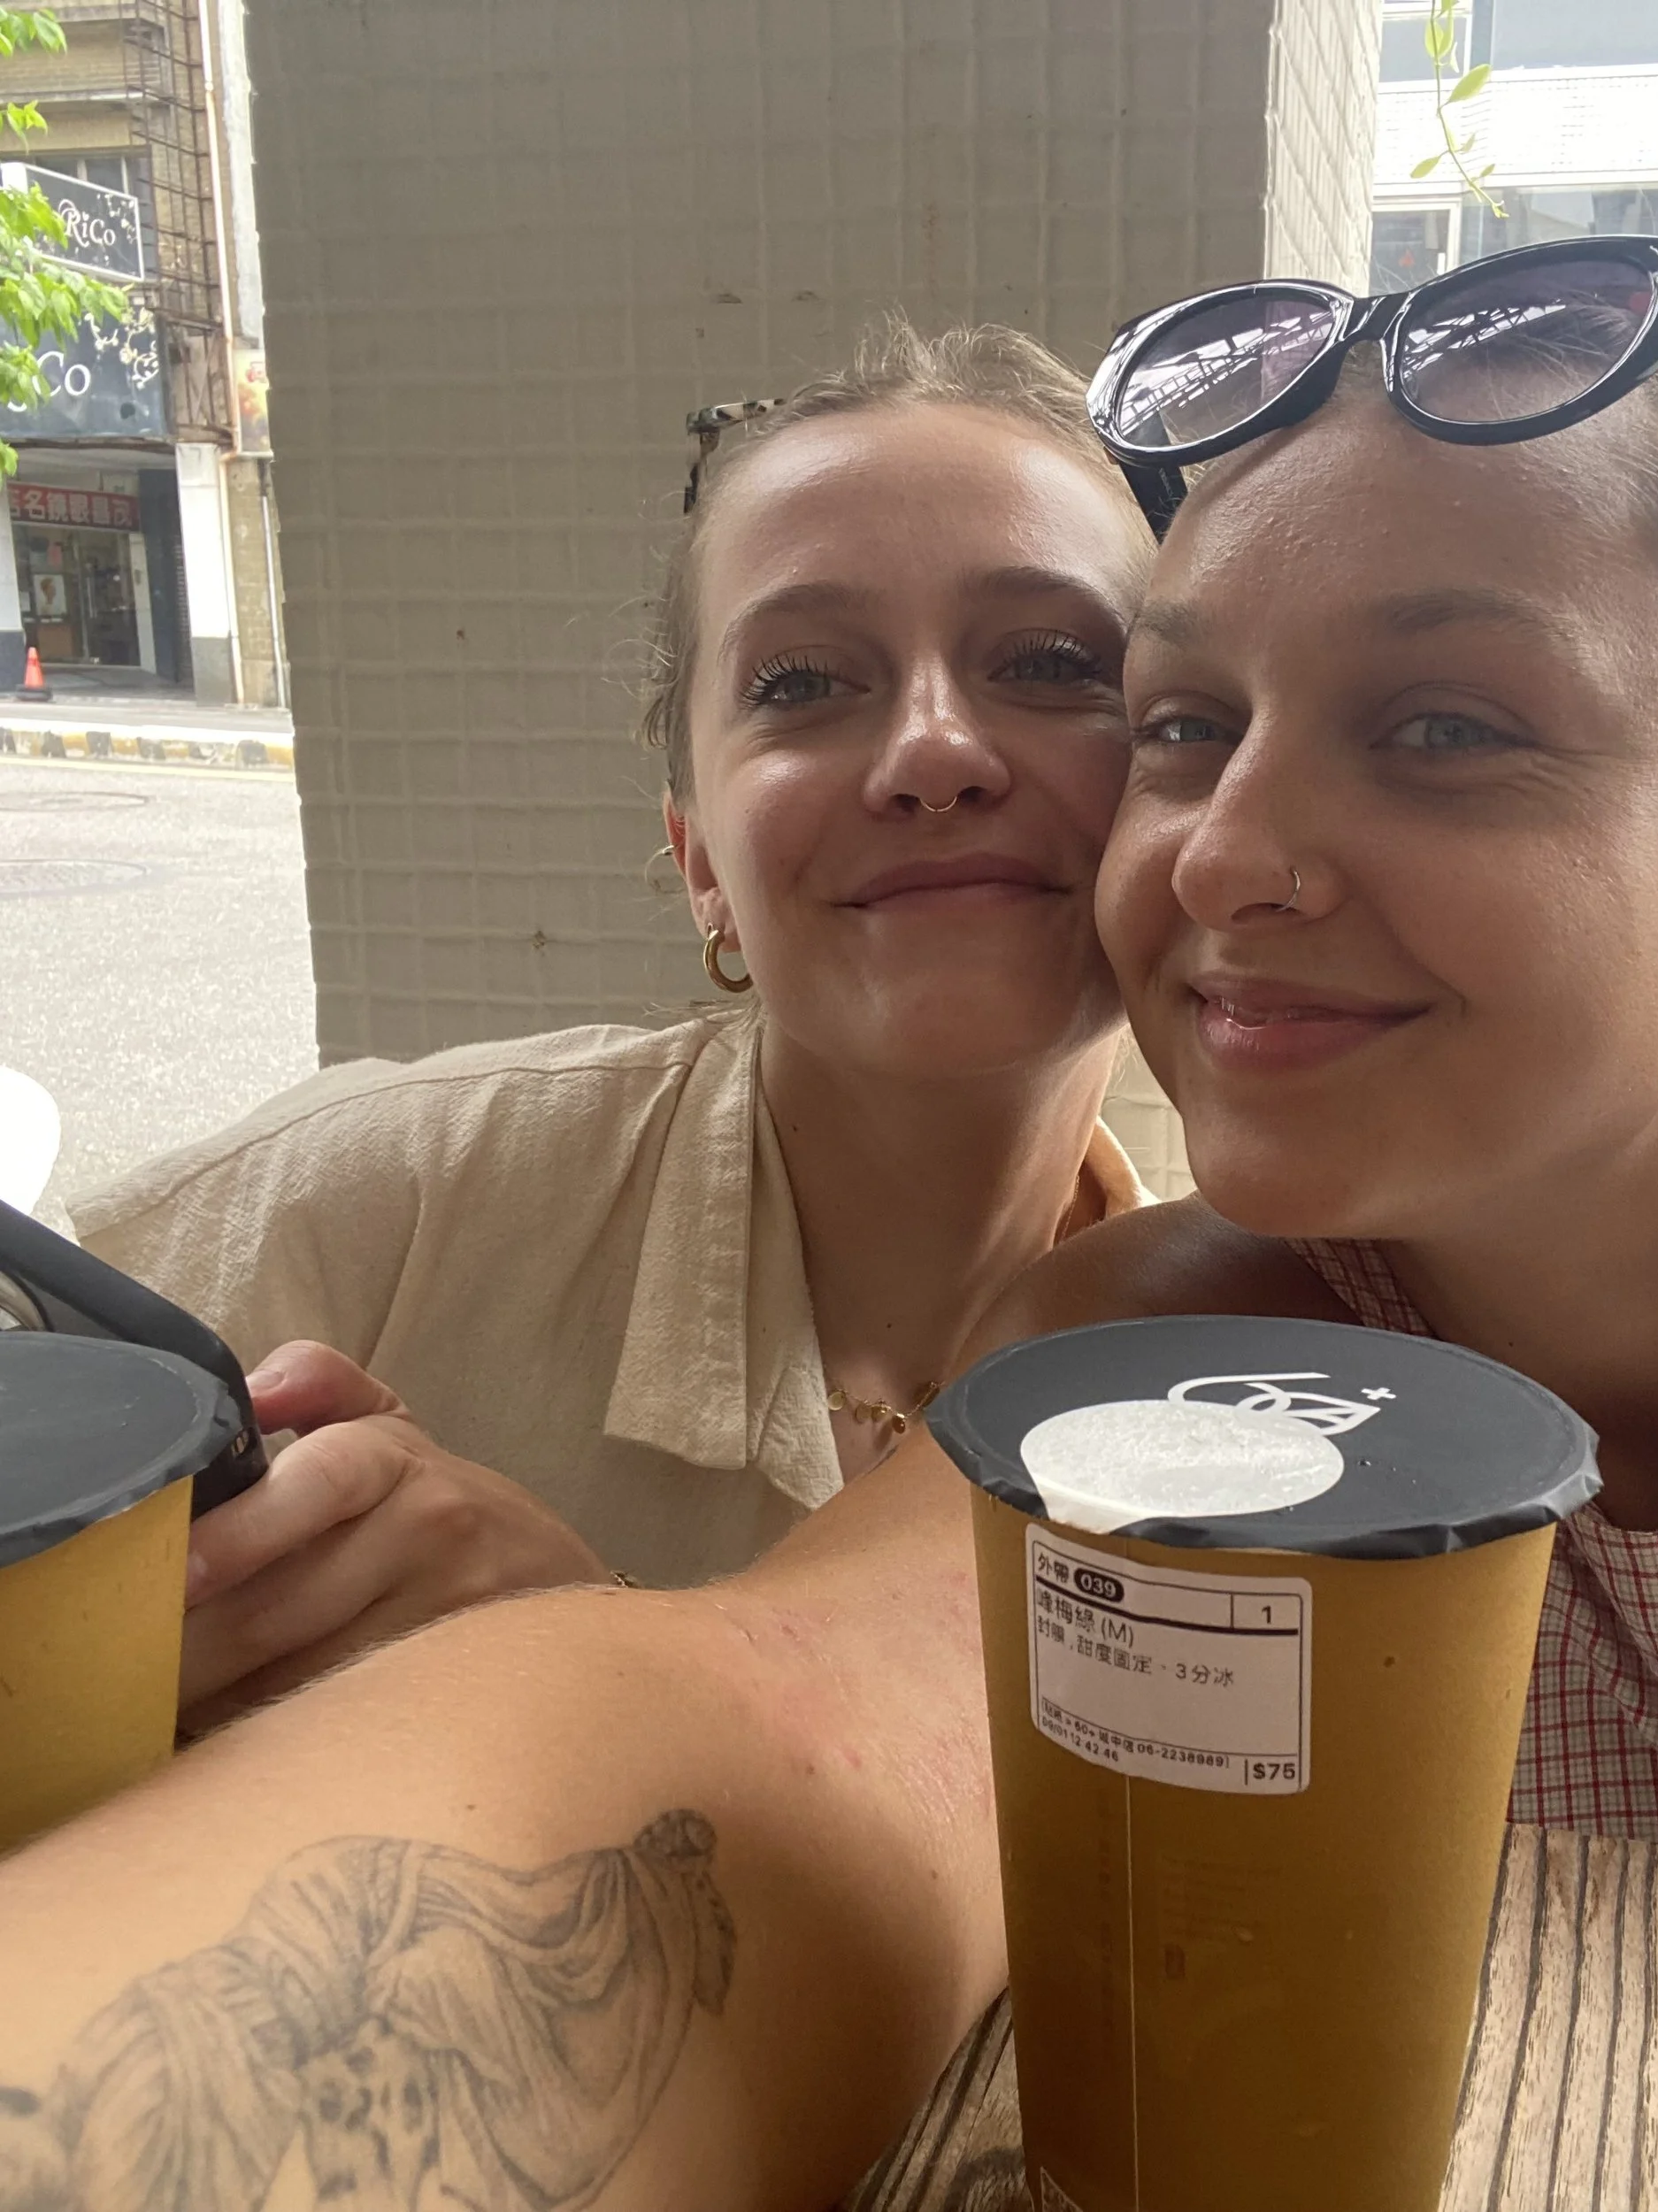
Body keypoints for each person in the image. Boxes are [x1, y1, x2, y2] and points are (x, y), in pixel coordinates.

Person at [5, 257, 1658, 2212]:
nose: (1227, 852)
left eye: (1443, 727)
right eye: (1185, 724)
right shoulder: (1201, 1307)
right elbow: (790, 1747)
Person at [71, 317, 1155, 1731]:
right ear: (701, 860)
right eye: (803, 683)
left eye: (1054, 660)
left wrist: (582, 1675)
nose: (934, 750)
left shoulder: (1271, 1353)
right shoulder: (371, 1214)